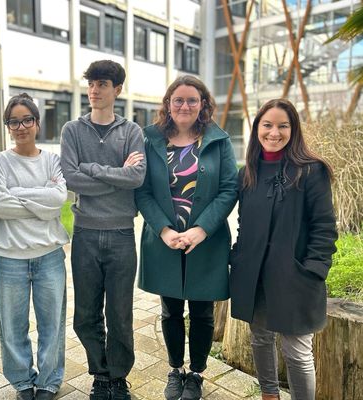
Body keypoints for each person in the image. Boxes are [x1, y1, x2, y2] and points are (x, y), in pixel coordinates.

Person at [135, 75, 238, 400]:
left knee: (202, 312)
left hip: (205, 241)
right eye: (178, 99)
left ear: (203, 104)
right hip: (164, 240)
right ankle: (176, 369)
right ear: (168, 104)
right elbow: (143, 190)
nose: (184, 105)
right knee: (170, 310)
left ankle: (196, 374)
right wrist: (164, 230)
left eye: (192, 100)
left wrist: (201, 229)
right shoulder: (149, 139)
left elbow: (229, 189)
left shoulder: (218, 140)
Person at [229, 99, 337, 400]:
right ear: (257, 128)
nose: (274, 132)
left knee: (297, 351)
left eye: (282, 125)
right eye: (267, 125)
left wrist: (313, 270)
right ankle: (269, 395)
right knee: (260, 338)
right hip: (255, 274)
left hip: (296, 277)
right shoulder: (247, 173)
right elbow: (244, 223)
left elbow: (324, 228)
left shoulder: (311, 171)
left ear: (293, 130)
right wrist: (238, 256)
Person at [60, 60, 146, 400]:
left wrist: (91, 170)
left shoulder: (132, 131)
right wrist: (114, 174)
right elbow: (70, 177)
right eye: (91, 84)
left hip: (122, 234)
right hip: (85, 234)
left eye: (103, 84)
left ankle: (119, 376)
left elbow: (136, 178)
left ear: (117, 90)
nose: (94, 90)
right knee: (85, 313)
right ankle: (100, 374)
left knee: (120, 313)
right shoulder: (72, 131)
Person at [0, 93, 69, 400]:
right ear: (8, 126)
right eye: (14, 121)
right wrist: (40, 199)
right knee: (12, 327)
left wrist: (17, 194)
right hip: (10, 259)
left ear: (36, 122)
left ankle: (48, 382)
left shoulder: (53, 160)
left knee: (52, 325)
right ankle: (22, 382)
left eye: (27, 120)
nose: (21, 127)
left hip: (49, 256)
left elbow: (59, 199)